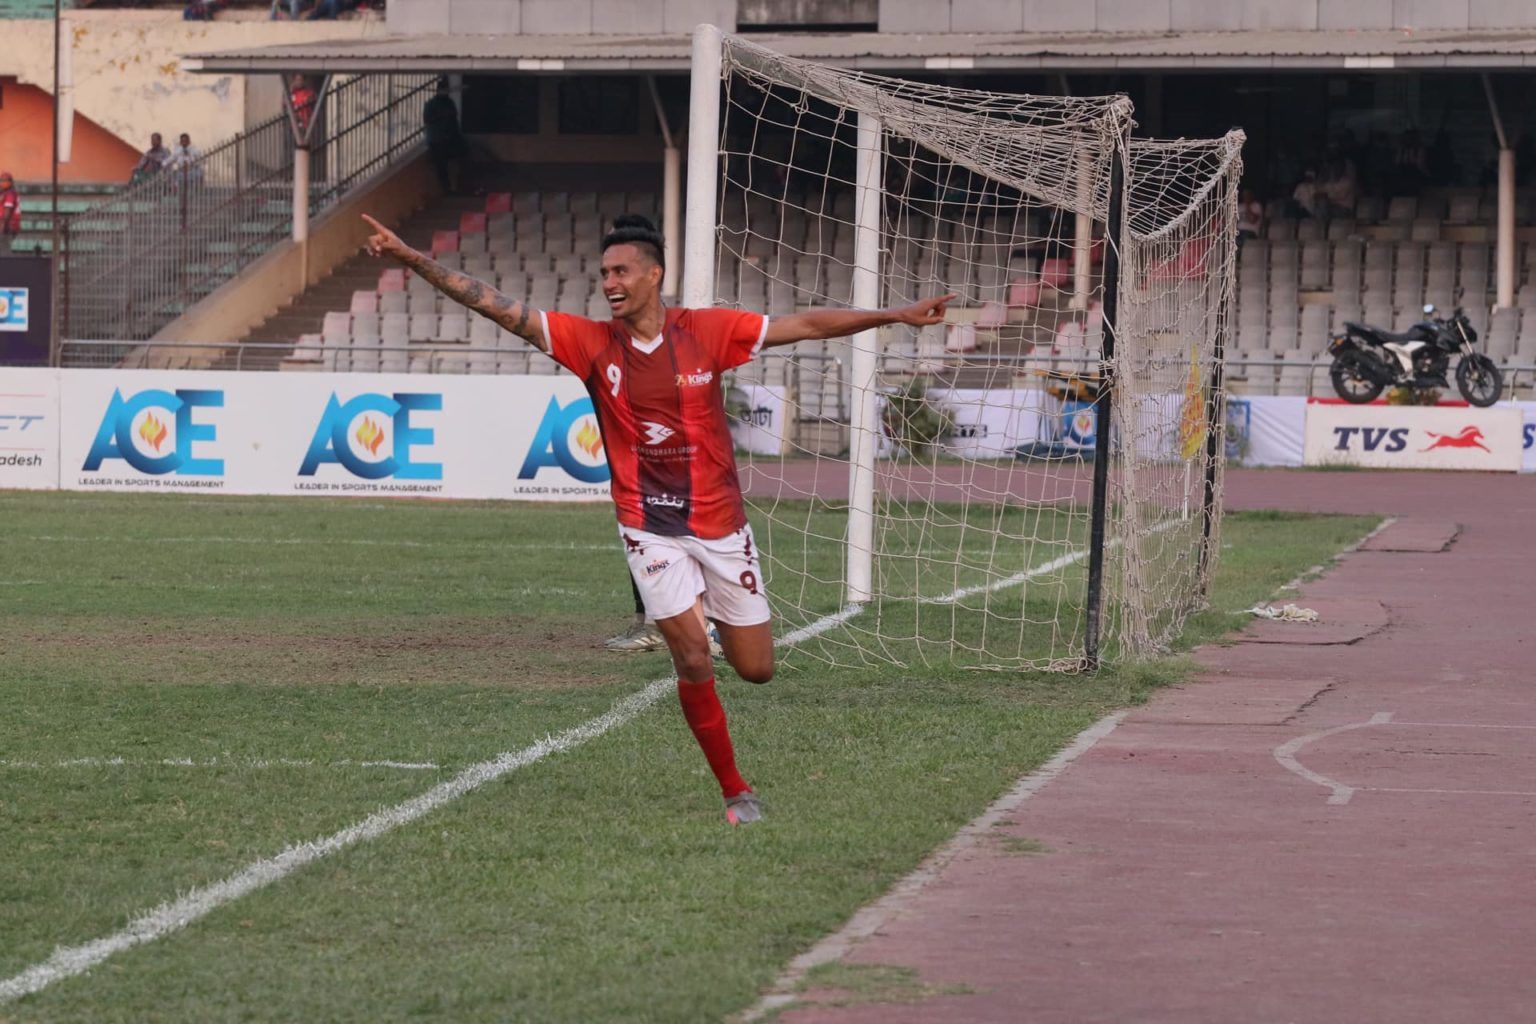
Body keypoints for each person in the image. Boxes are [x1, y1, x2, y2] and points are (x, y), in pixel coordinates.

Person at [360, 210, 953, 826]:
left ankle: (711, 614)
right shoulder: (590, 343)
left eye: (620, 271)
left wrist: (896, 315)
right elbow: (497, 306)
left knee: (757, 670)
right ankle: (735, 791)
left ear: (653, 275)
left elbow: (802, 324)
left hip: (722, 525)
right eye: (603, 273)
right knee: (693, 658)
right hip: (648, 525)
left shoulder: (706, 332)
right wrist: (411, 258)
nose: (609, 282)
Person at [422, 79, 466, 195]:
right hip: (437, 140)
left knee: (454, 163)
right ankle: (447, 189)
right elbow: (428, 120)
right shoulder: (431, 104)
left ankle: (455, 187)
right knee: (441, 167)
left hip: (450, 139)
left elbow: (453, 121)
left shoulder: (449, 103)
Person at [0, 172, 21, 249]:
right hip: (7, 225)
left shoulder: (10, 194)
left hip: (8, 226)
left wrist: (2, 228)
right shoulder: (5, 193)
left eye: (5, 181)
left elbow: (7, 212)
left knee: (3, 250)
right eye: (1, 180)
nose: (2, 183)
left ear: (10, 182)